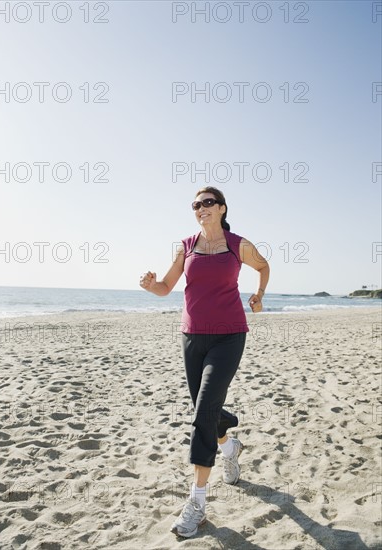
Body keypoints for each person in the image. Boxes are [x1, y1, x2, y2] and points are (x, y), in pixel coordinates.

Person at [139, 186, 270, 538]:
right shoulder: (185, 246)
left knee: (203, 412)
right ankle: (229, 445)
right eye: (196, 205)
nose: (201, 208)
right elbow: (167, 287)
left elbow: (263, 266)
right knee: (206, 409)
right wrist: (151, 286)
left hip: (229, 336)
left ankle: (196, 503)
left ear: (222, 208)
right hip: (192, 338)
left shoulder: (237, 244)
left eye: (207, 203)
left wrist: (258, 295)